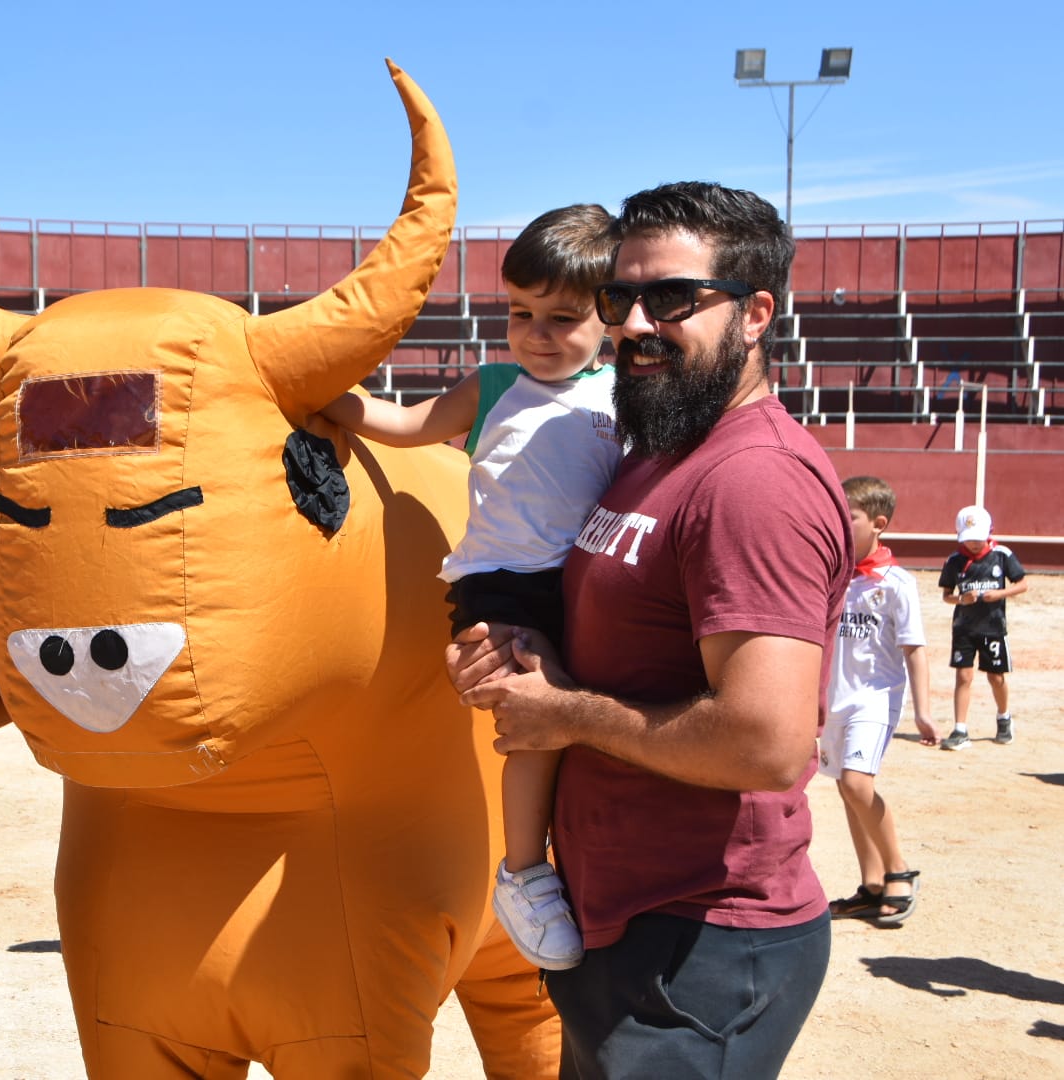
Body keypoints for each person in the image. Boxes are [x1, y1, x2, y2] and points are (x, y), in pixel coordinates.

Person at [448, 182, 850, 1078]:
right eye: (618, 298)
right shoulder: (654, 451)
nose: (634, 322)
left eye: (671, 298)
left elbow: (767, 742)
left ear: (753, 313)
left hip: (702, 943)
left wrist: (565, 714)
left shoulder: (753, 483)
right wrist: (521, 660)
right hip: (623, 922)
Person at [320, 204, 621, 971]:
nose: (537, 334)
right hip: (502, 586)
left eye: (562, 317)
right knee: (536, 719)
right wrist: (327, 399)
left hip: (589, 582)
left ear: (610, 315)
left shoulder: (625, 398)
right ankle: (523, 872)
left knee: (594, 723)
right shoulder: (492, 387)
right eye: (521, 313)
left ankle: (578, 856)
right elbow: (409, 422)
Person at [822, 476, 932, 926]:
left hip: (875, 698)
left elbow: (915, 649)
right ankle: (870, 885)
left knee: (856, 784)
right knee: (847, 792)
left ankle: (899, 870)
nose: (839, 523)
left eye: (849, 516)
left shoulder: (898, 583)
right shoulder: (834, 576)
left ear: (878, 523)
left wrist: (924, 712)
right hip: (835, 701)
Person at [937, 504, 1027, 750]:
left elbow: (1022, 584)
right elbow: (946, 595)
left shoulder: (1002, 555)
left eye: (978, 539)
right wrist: (961, 599)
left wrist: (998, 594)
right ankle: (960, 729)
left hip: (993, 626)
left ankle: (1003, 716)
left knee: (996, 677)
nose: (974, 545)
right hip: (963, 626)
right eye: (969, 540)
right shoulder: (955, 560)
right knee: (963, 675)